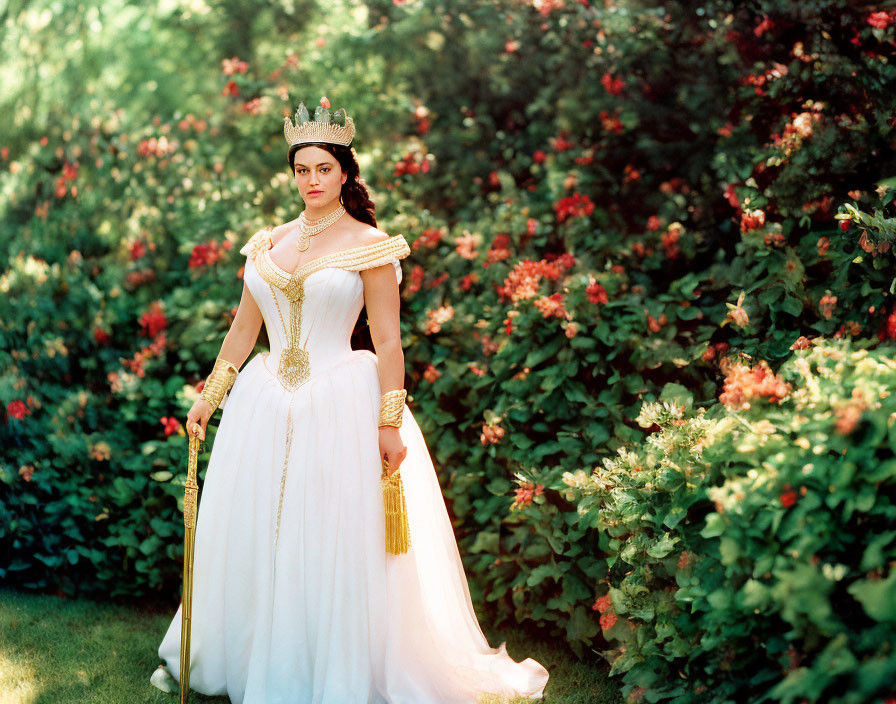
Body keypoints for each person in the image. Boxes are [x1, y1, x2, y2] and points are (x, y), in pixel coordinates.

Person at [150, 97, 550, 703]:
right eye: (302, 170)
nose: (312, 181)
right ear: (294, 175)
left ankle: (333, 669)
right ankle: (254, 656)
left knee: (331, 537)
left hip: (341, 401)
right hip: (263, 404)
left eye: (323, 169)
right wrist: (211, 395)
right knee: (261, 530)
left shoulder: (372, 244)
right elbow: (242, 329)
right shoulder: (267, 243)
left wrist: (389, 423)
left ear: (345, 172)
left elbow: (388, 340)